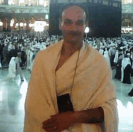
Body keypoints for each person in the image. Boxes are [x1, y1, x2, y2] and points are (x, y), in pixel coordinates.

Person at [24, 4, 118, 132]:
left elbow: (109, 109)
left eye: (79, 23)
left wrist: (73, 117)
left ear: (86, 25)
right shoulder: (42, 59)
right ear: (60, 24)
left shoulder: (98, 63)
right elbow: (33, 105)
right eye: (68, 22)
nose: (74, 29)